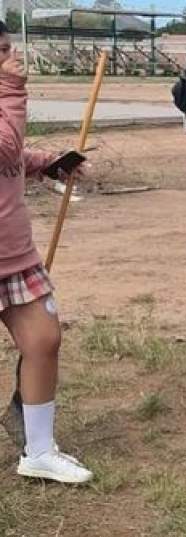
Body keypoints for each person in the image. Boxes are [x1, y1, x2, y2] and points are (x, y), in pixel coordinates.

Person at [0, 21, 94, 483]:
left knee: (43, 340)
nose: (11, 60)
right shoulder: (8, 94)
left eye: (8, 50)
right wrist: (13, 89)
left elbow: (13, 158)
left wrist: (50, 164)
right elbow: (3, 147)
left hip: (13, 253)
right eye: (0, 53)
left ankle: (38, 451)